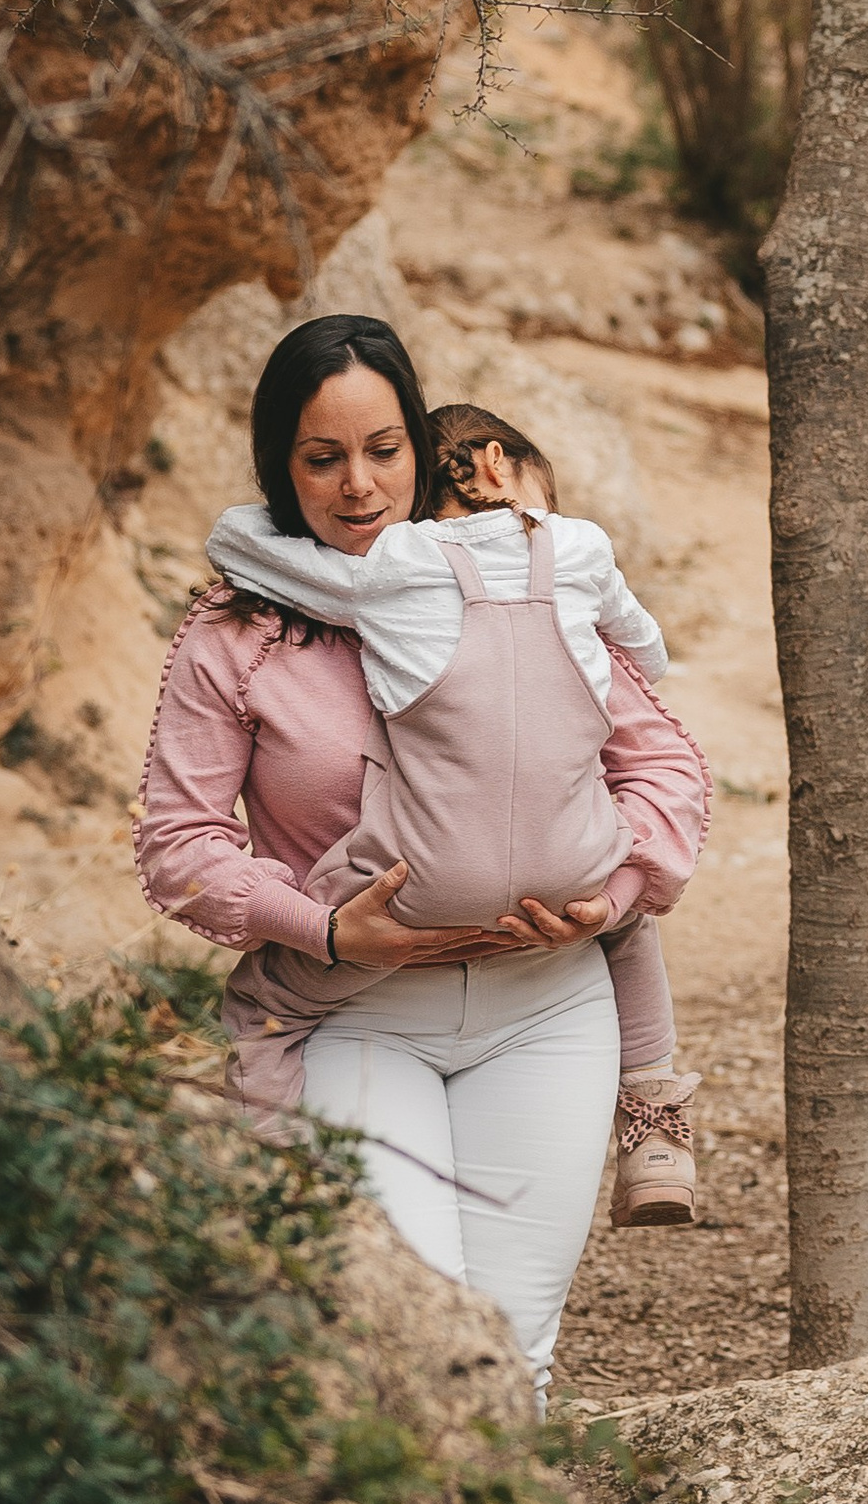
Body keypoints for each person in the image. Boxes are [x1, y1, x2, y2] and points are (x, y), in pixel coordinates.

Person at [132, 314, 711, 1406]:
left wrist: (613, 894)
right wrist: (325, 925)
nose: (358, 487)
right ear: (278, 465)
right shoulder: (238, 635)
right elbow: (179, 844)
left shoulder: (518, 578)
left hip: (549, 1012)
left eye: (383, 450)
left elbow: (664, 767)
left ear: (423, 443)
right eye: (321, 457)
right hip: (356, 1016)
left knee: (516, 1351)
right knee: (413, 1341)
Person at [200, 401, 704, 1224]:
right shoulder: (581, 547)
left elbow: (240, 544)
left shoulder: (394, 566)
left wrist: (290, 514)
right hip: (570, 877)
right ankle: (655, 1111)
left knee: (272, 999)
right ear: (501, 463)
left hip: (413, 891)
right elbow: (645, 650)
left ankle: (269, 1141)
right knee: (626, 915)